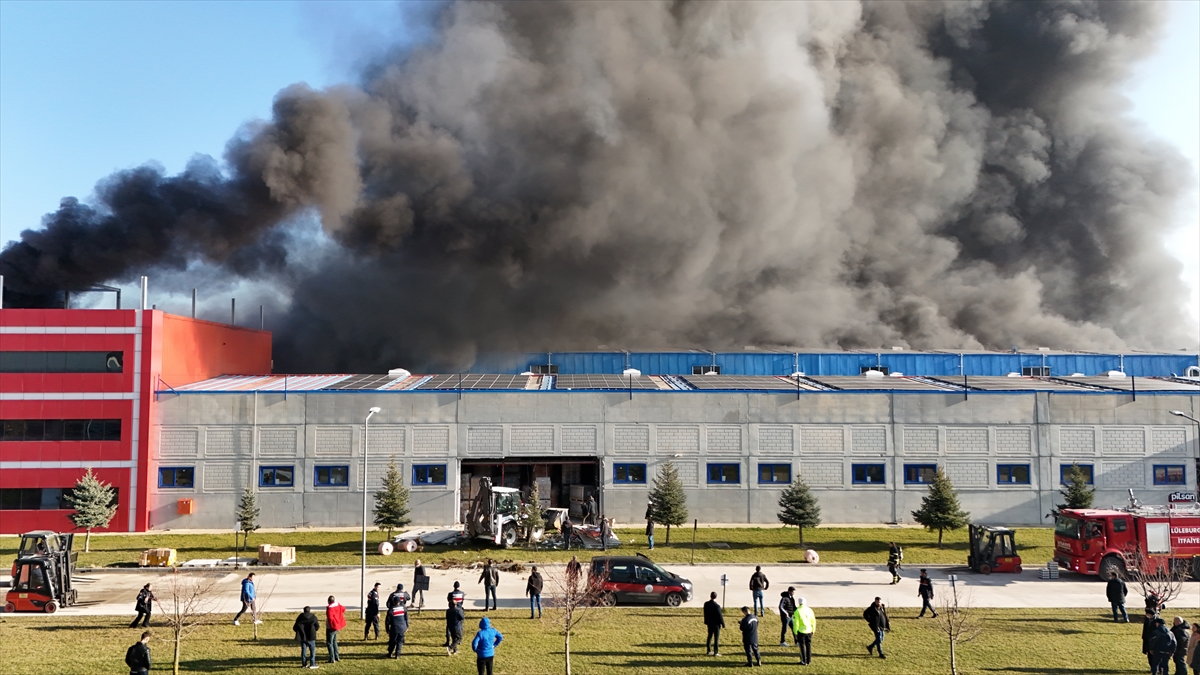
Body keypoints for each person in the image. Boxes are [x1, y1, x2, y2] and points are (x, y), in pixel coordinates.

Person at [791, 596, 816, 666]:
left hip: (801, 631)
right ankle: (808, 660)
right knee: (808, 646)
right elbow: (813, 621)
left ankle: (803, 660)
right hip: (809, 630)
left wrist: (795, 631)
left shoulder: (797, 611)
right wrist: (813, 630)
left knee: (802, 646)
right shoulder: (810, 610)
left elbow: (796, 623)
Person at [293, 605, 320, 670]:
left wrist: (299, 631)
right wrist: (314, 630)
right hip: (311, 635)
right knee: (312, 650)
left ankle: (304, 664)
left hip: (302, 636)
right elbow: (317, 626)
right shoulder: (313, 617)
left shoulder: (300, 617)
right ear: (309, 610)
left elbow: (295, 627)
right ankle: (312, 663)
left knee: (303, 650)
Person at [325, 595, 346, 663]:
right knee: (334, 641)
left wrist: (331, 626)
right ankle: (337, 657)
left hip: (331, 627)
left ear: (328, 601)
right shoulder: (338, 605)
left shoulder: (330, 609)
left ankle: (332, 658)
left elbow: (330, 618)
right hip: (337, 626)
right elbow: (343, 609)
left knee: (329, 643)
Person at [704, 591, 725, 656]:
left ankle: (708, 650)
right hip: (716, 624)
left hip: (709, 623)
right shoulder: (717, 606)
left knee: (709, 636)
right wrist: (723, 623)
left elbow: (705, 613)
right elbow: (720, 616)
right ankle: (716, 652)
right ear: (716, 597)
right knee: (716, 638)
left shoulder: (706, 604)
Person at [1147, 608, 1164, 673]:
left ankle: (1159, 669)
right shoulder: (1148, 620)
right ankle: (1153, 668)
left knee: (1156, 657)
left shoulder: (1157, 621)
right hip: (1149, 640)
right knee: (1150, 656)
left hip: (1155, 641)